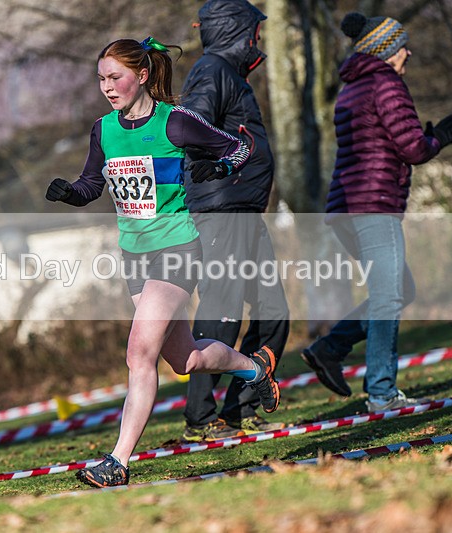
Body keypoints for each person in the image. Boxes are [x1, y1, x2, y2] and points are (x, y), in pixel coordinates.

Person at [45, 36, 282, 488]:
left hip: (177, 250)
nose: (107, 87)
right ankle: (255, 369)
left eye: (115, 77)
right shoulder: (103, 130)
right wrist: (69, 193)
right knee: (186, 360)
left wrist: (221, 168)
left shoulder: (175, 122)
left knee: (139, 352)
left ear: (142, 75)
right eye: (101, 79)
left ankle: (117, 462)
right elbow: (91, 184)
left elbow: (239, 147)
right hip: (134, 256)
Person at [300, 12, 452, 412]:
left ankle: (330, 348)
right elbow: (412, 149)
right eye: (401, 47)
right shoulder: (386, 83)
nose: (407, 53)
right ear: (385, 52)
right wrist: (438, 139)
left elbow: (384, 141)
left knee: (399, 290)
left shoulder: (352, 88)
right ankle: (381, 391)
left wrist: (431, 137)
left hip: (346, 208)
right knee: (388, 297)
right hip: (374, 207)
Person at [179, 0, 290, 442]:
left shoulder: (230, 74)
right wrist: (222, 163)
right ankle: (200, 419)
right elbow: (191, 126)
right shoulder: (212, 71)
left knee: (273, 311)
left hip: (244, 209)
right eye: (254, 31)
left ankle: (241, 408)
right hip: (221, 210)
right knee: (221, 312)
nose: (258, 39)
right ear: (235, 31)